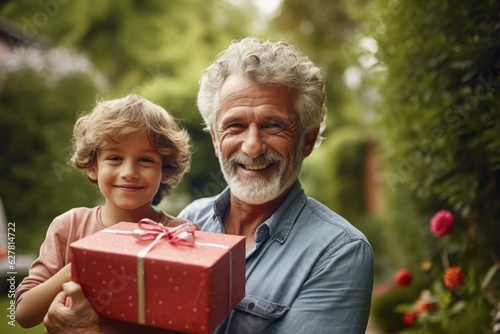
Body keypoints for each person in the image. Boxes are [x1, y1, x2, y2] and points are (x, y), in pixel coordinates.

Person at [44, 37, 374, 334]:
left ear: (308, 140)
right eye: (235, 126)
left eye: (273, 125)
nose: (252, 146)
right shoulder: (187, 223)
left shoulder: (338, 252)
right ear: (216, 139)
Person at [16, 94, 192, 333]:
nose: (129, 171)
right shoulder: (69, 226)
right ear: (92, 167)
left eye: (145, 159)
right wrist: (77, 268)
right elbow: (23, 314)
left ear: (167, 170)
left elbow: (191, 317)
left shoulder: (178, 235)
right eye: (115, 158)